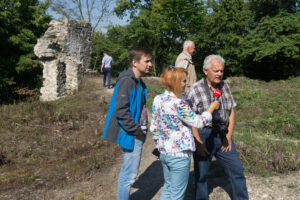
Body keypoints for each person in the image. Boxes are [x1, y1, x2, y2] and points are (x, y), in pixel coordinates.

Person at [150, 66, 219, 200]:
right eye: (183, 81)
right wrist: (211, 109)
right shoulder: (179, 104)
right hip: (179, 155)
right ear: (175, 82)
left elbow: (154, 126)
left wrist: (158, 145)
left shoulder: (158, 99)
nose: (186, 83)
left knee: (168, 188)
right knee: (177, 195)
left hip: (165, 153)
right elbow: (198, 122)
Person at [187, 55, 249, 200]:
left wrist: (229, 136)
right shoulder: (194, 90)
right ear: (205, 71)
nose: (219, 74)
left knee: (237, 170)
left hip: (223, 135)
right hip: (203, 135)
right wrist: (197, 141)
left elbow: (231, 111)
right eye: (215, 71)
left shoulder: (224, 86)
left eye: (221, 71)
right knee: (201, 175)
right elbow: (190, 119)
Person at [102, 47, 152, 200]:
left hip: (137, 133)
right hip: (132, 134)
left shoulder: (138, 81)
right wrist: (136, 131)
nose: (150, 64)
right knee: (129, 176)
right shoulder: (127, 81)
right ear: (134, 62)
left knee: (129, 172)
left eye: (150, 61)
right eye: (147, 61)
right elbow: (121, 111)